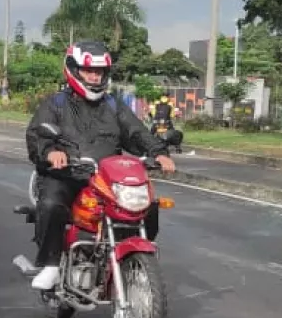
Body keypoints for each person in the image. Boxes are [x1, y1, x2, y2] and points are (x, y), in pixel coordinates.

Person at [24, 40, 177, 290]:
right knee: (51, 204)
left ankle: (135, 262)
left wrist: (157, 152)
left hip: (106, 178)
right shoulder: (56, 104)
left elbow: (136, 132)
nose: (95, 77)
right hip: (67, 174)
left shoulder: (113, 105)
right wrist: (51, 151)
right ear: (74, 70)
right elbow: (37, 135)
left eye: (100, 71)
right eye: (89, 70)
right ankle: (51, 264)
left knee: (146, 206)